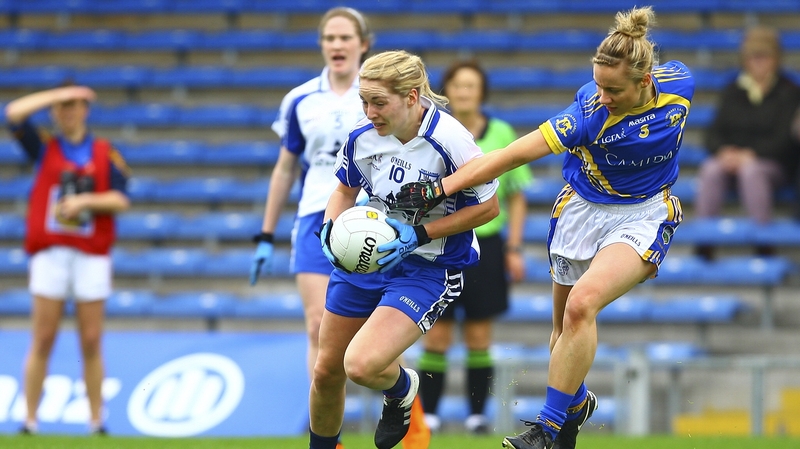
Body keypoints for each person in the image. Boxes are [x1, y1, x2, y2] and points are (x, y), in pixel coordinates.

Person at [393, 6, 693, 449]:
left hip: (645, 213)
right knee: (561, 330)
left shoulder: (680, 84)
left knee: (581, 306)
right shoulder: (587, 112)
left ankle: (547, 429)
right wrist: (443, 187)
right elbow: (513, 156)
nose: (602, 96)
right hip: (582, 211)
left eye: (613, 89)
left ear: (644, 81)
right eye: (598, 85)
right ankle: (574, 405)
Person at [249, 8, 429, 448]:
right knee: (319, 328)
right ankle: (331, 434)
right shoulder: (300, 99)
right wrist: (265, 234)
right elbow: (286, 167)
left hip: (379, 218)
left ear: (363, 44)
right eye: (329, 37)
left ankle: (410, 426)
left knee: (378, 337)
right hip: (320, 219)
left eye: (345, 36)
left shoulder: (380, 96)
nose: (336, 44)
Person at [308, 50, 500, 449]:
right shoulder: (362, 137)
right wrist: (330, 228)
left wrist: (421, 233)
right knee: (326, 370)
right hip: (368, 257)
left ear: (412, 97)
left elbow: (488, 207)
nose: (369, 111)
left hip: (428, 266)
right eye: (364, 101)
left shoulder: (451, 140)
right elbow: (343, 190)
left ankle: (402, 388)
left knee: (360, 365)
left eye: (379, 102)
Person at [4, 83, 131, 435]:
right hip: (51, 253)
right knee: (43, 338)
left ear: (86, 110)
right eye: (61, 107)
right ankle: (30, 420)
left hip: (90, 254)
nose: (67, 113)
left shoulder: (105, 153)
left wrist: (85, 203)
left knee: (91, 339)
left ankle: (96, 421)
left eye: (74, 105)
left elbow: (122, 199)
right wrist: (54, 95)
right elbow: (13, 113)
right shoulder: (44, 146)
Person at [416, 60, 532, 434]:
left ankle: (477, 415)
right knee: (437, 332)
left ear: (482, 91)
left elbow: (516, 195)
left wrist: (514, 247)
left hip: (488, 244)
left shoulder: (501, 132)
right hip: (442, 241)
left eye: (471, 85)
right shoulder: (432, 131)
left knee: (479, 334)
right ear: (445, 90)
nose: (464, 92)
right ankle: (428, 414)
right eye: (457, 85)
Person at [695, 25, 800, 259]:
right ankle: (704, 244)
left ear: (776, 59)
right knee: (711, 169)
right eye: (754, 57)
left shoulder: (789, 92)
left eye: (765, 56)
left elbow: (785, 140)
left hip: (772, 165)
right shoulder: (733, 90)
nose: (759, 62)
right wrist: (723, 152)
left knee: (752, 172)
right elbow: (713, 133)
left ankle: (764, 246)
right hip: (732, 161)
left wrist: (750, 155)